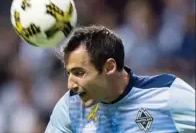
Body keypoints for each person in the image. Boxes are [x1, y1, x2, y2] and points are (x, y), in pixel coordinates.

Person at [45, 25, 195, 133]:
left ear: (109, 67)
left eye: (79, 73)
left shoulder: (167, 94)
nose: (70, 85)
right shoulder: (71, 107)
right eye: (69, 73)